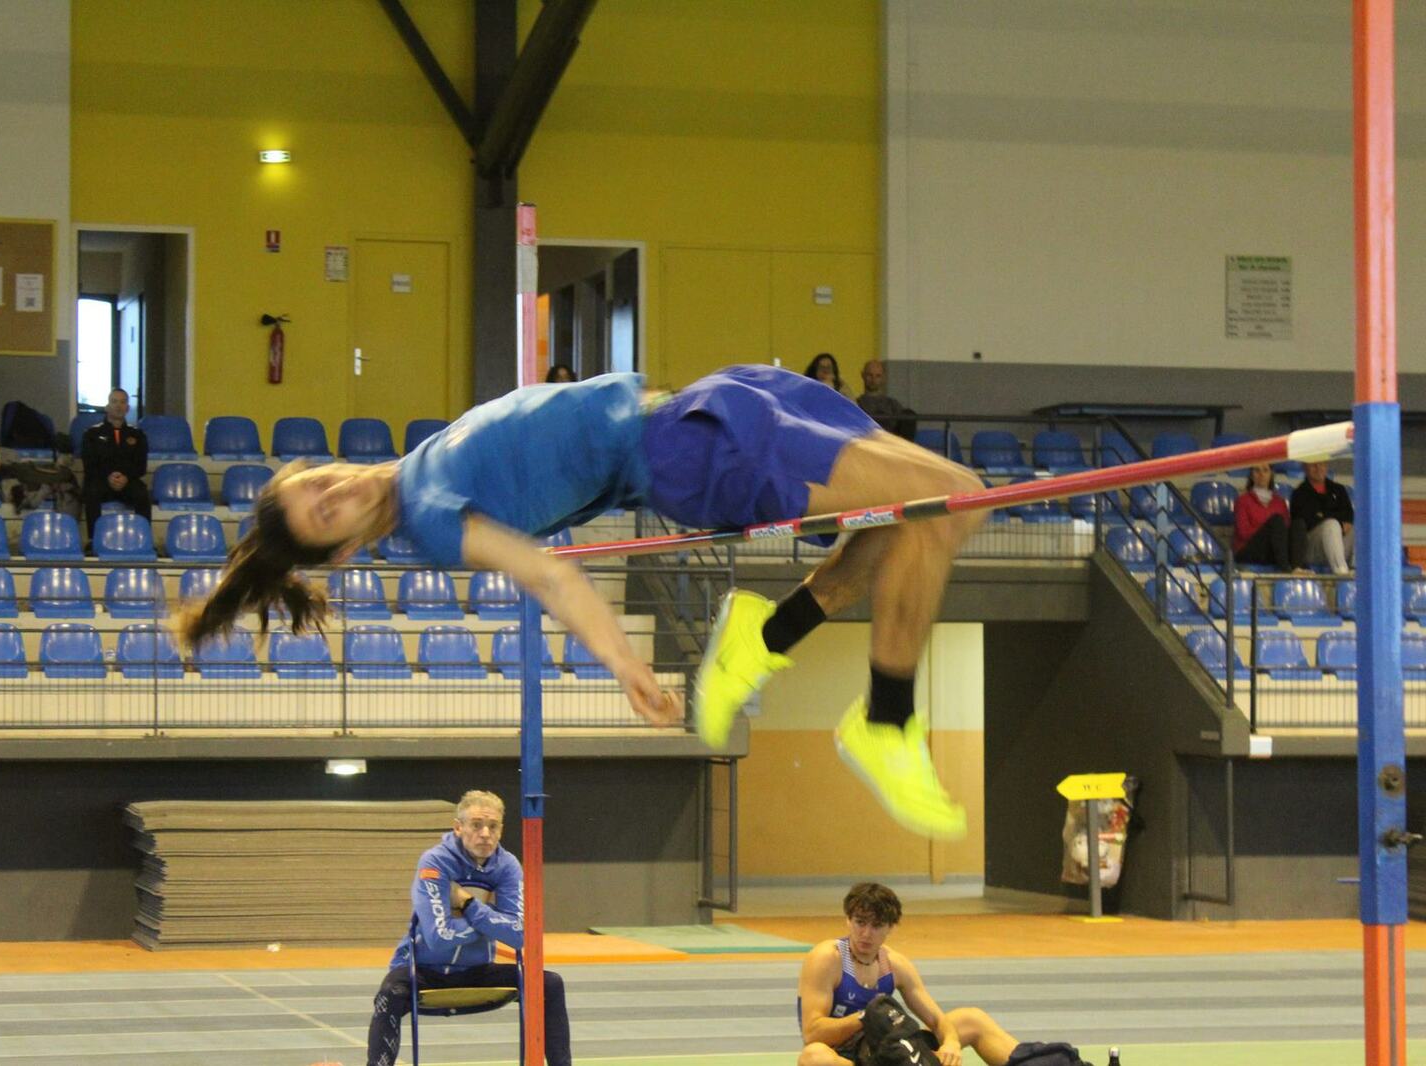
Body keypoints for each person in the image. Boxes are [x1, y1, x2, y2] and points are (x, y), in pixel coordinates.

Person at [177, 366, 983, 838]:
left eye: (317, 480)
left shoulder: (420, 459)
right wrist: (625, 663)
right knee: (948, 501)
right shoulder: (429, 514)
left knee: (933, 509)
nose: (337, 487)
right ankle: (884, 719)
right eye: (326, 512)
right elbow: (552, 575)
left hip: (704, 400)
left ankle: (766, 634)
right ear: (347, 550)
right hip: (689, 448)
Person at [366, 790, 569, 1066]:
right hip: (424, 971)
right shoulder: (434, 862)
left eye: (493, 826)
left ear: (501, 830)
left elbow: (521, 936)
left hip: (477, 972)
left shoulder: (508, 866)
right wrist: (492, 923)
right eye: (476, 825)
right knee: (389, 994)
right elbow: (438, 937)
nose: (485, 833)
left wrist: (469, 904)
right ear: (458, 828)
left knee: (550, 984)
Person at [798, 882, 1019, 1066]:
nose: (866, 934)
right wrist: (866, 1018)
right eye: (860, 923)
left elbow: (936, 1019)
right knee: (813, 1057)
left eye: (876, 925)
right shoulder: (828, 958)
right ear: (848, 920)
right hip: (848, 1057)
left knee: (971, 1019)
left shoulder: (895, 965)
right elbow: (813, 1033)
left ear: (890, 928)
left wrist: (950, 1042)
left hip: (893, 1050)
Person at [80, 388, 151, 538]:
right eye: (114, 402)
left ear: (128, 408)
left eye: (123, 402)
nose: (118, 406)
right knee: (91, 492)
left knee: (142, 493)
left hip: (128, 481)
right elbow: (89, 464)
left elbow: (141, 465)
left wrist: (125, 477)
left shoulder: (137, 434)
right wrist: (109, 476)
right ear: (107, 407)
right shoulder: (91, 434)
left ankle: (144, 539)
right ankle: (94, 540)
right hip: (101, 481)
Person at [1290, 461, 1355, 574]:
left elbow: (1348, 515)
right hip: (1313, 547)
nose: (1318, 468)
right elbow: (1307, 521)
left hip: (1338, 543)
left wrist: (1324, 515)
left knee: (1359, 529)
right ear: (1305, 467)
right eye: (1313, 464)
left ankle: (1357, 571)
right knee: (1331, 525)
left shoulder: (1338, 489)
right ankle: (1341, 572)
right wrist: (1337, 521)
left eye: (1322, 464)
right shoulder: (1299, 493)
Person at [1232, 463, 1300, 571]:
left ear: (1271, 474)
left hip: (1272, 550)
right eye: (1257, 470)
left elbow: (1285, 530)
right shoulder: (1242, 501)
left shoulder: (1280, 502)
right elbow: (1243, 532)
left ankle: (1297, 567)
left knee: (1298, 524)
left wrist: (1272, 531)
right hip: (1248, 550)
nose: (1261, 474)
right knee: (1276, 521)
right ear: (1251, 475)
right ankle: (1286, 570)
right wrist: (1268, 529)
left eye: (1265, 470)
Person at [855, 359, 915, 440]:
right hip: (866, 443)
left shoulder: (892, 404)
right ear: (863, 375)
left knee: (909, 414)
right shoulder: (856, 403)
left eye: (878, 376)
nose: (873, 379)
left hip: (890, 445)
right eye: (870, 375)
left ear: (883, 378)